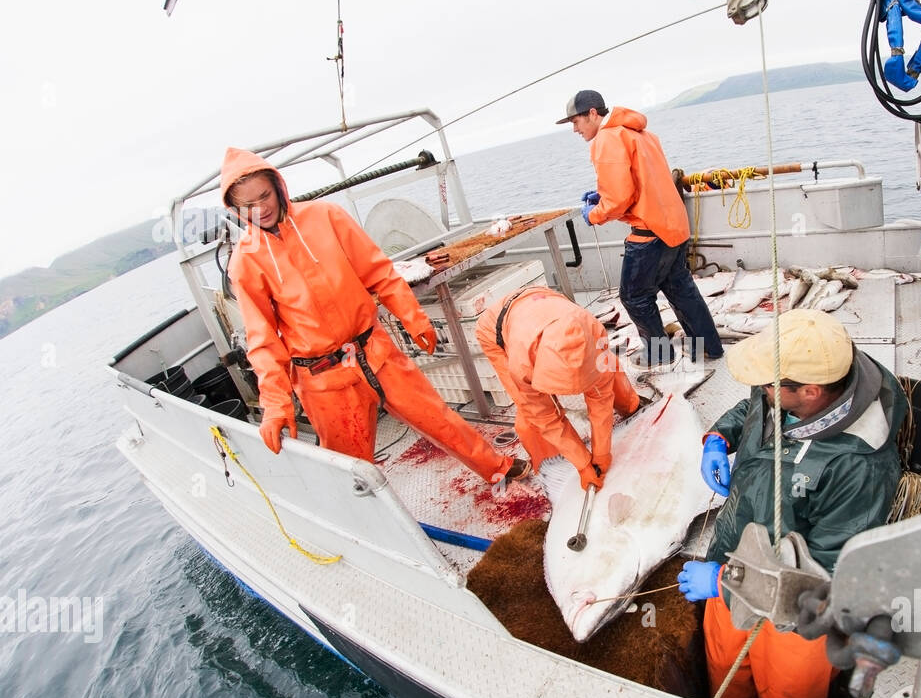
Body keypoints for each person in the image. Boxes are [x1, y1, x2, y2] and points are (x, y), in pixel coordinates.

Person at [221, 147, 528, 488]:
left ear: (278, 187)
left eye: (264, 195)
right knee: (351, 471)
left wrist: (413, 318)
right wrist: (276, 405)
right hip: (324, 381)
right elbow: (262, 342)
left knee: (439, 418)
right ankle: (367, 526)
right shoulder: (245, 262)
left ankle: (496, 465)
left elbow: (379, 272)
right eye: (248, 205)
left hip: (377, 352)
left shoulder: (326, 216)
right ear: (235, 209)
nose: (260, 209)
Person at [676, 309, 905, 698]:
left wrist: (726, 578)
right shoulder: (794, 389)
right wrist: (718, 437)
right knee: (725, 683)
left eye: (769, 384)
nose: (761, 390)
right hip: (734, 569)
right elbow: (755, 407)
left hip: (797, 619)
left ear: (811, 391)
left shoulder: (860, 468)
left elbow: (827, 576)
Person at [558, 89, 724, 368]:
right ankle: (710, 347)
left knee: (634, 297)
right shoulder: (642, 134)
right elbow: (645, 180)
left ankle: (660, 356)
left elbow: (620, 199)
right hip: (674, 226)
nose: (574, 129)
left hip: (650, 234)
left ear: (592, 114)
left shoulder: (606, 140)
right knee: (681, 289)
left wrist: (594, 214)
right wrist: (603, 195)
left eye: (576, 121)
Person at [475, 286, 643, 489]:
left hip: (543, 302)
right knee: (531, 417)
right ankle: (555, 470)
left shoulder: (594, 331)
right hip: (497, 329)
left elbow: (601, 394)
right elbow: (544, 416)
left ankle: (631, 405)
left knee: (608, 371)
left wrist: (601, 453)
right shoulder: (521, 365)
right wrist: (582, 464)